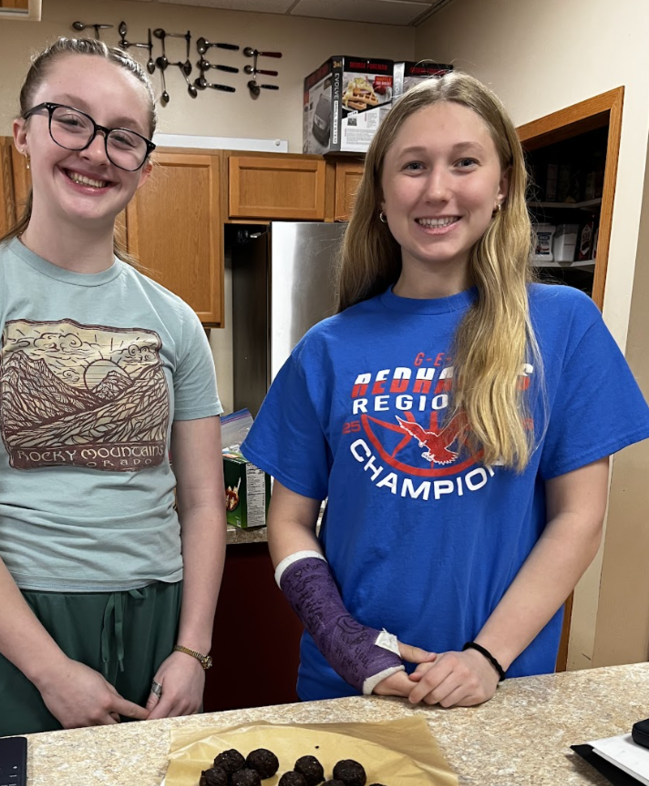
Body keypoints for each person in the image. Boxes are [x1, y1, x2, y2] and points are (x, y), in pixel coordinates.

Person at [241, 71, 649, 708]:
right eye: (412, 166)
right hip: (351, 688)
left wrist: (487, 657)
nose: (438, 189)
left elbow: (579, 516)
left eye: (464, 162)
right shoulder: (328, 347)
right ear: (380, 190)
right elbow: (290, 522)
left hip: (502, 688)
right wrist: (348, 642)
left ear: (502, 184)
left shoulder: (561, 326)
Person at [0, 39, 225, 739]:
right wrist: (48, 668)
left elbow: (200, 502)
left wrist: (193, 648)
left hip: (159, 616)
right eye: (69, 120)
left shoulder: (175, 321)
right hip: (20, 622)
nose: (96, 151)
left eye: (124, 137)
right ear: (22, 133)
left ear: (145, 163)